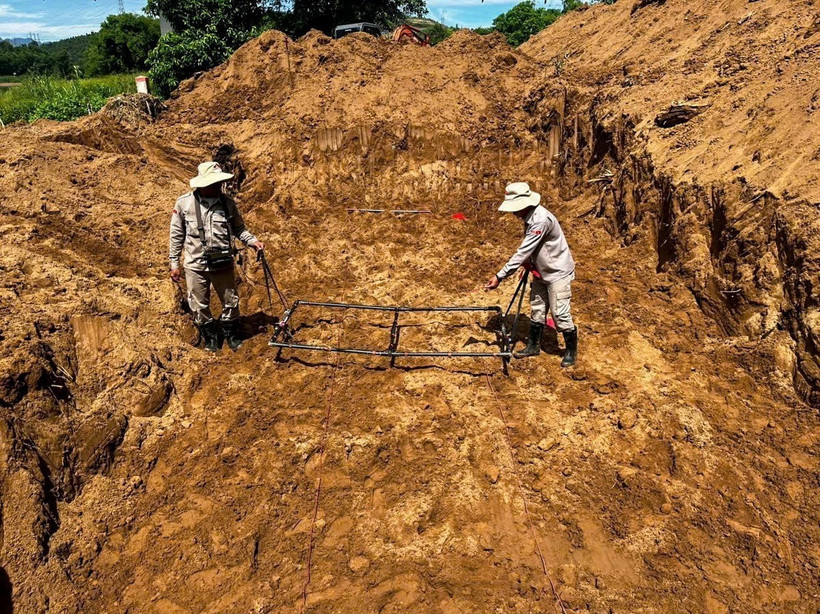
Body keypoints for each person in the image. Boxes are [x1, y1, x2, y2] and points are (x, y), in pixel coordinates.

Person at [169, 161, 264, 352]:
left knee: (230, 301)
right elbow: (176, 234)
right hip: (195, 265)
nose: (218, 186)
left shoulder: (228, 204)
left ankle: (230, 333)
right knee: (198, 304)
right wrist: (174, 263)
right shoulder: (183, 203)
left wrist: (253, 241)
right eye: (214, 183)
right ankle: (210, 336)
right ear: (202, 184)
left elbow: (239, 228)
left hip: (222, 264)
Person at [485, 182, 578, 367]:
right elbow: (531, 251)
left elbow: (523, 251)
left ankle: (570, 351)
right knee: (537, 308)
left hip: (557, 272)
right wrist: (530, 263)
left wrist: (500, 276)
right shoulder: (529, 217)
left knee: (559, 313)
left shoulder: (540, 220)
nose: (512, 212)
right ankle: (533, 346)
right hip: (541, 271)